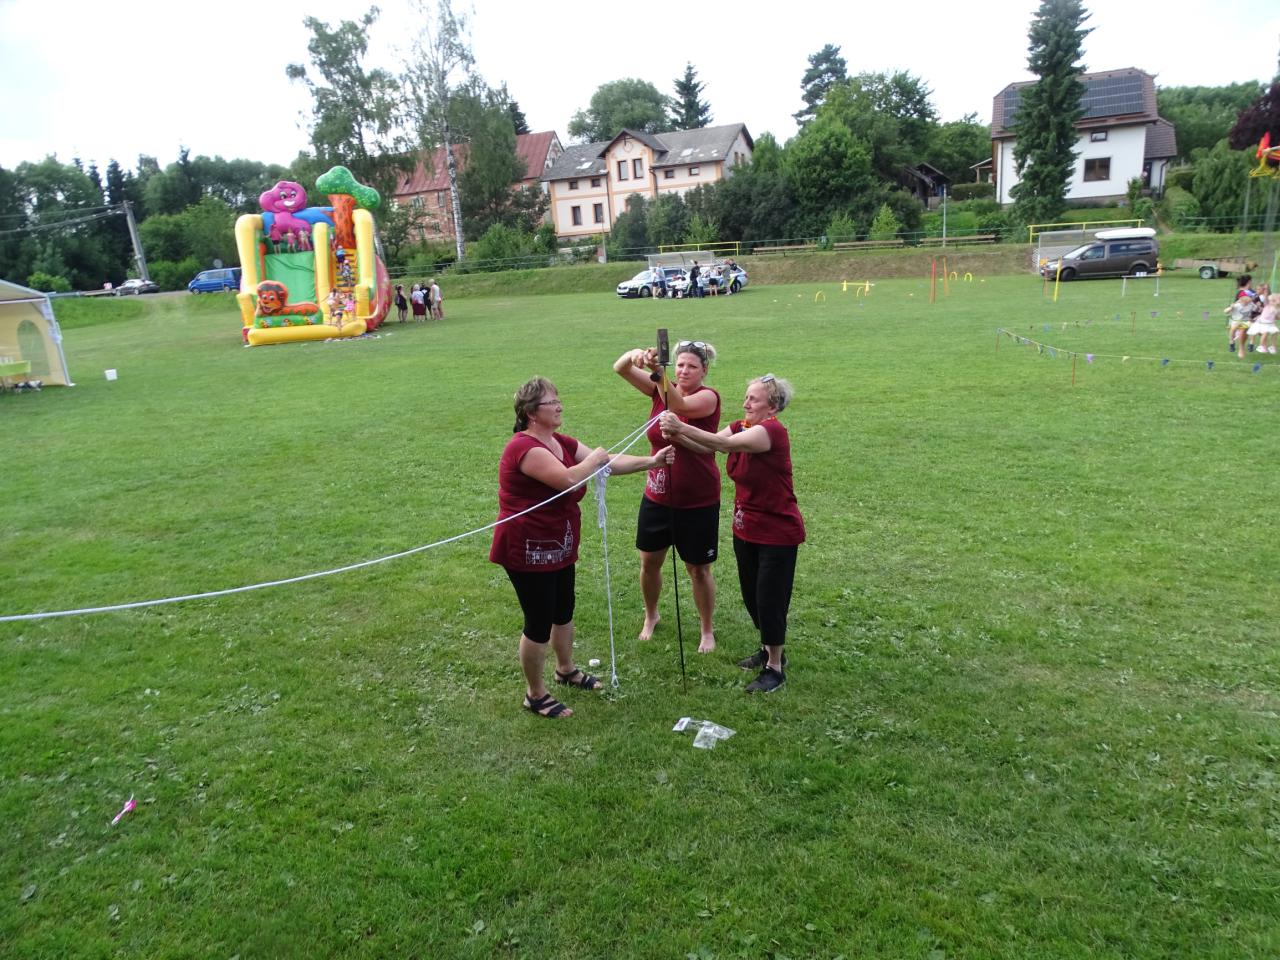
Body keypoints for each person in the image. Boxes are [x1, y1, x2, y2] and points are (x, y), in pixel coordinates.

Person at [492, 377, 674, 719]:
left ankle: (565, 669)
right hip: (526, 548)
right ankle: (535, 694)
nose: (559, 405)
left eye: (558, 399)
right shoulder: (524, 448)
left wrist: (652, 462)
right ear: (531, 413)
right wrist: (596, 460)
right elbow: (568, 478)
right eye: (551, 402)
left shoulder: (559, 442)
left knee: (564, 609)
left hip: (558, 542)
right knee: (538, 620)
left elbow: (608, 462)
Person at [660, 374, 805, 694]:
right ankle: (767, 649)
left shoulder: (771, 431)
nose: (745, 403)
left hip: (777, 533)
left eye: (753, 399)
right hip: (745, 528)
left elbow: (723, 445)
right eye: (746, 397)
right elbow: (708, 445)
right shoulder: (742, 426)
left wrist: (680, 426)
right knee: (752, 596)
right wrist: (678, 435)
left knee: (769, 598)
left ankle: (775, 667)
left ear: (773, 407)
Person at [613, 341, 722, 653]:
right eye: (681, 365)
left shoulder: (708, 397)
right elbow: (620, 369)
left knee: (698, 569)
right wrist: (634, 355)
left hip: (698, 499)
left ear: (704, 370)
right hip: (657, 496)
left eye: (692, 366)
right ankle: (651, 615)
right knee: (649, 563)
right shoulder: (660, 388)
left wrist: (659, 374)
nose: (684, 371)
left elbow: (681, 406)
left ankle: (707, 629)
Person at [1226, 274, 1258, 359]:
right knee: (1240, 330)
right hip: (1239, 317)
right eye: (1251, 281)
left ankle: (1247, 345)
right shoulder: (1242, 292)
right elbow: (1245, 300)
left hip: (1248, 316)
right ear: (1249, 282)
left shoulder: (1250, 291)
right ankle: (1237, 346)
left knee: (1246, 330)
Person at [1248, 289, 1279, 355]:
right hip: (1262, 323)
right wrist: (1265, 291)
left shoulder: (1277, 309)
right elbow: (1266, 299)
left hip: (1270, 324)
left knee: (1275, 332)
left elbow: (1277, 317)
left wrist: (1277, 317)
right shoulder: (1267, 306)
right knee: (1265, 334)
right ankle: (1261, 346)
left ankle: (1273, 346)